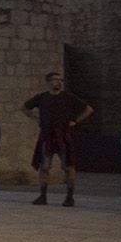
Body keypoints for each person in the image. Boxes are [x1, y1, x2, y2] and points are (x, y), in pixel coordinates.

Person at [24, 71, 93, 206]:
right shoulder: (42, 97)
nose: (59, 82)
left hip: (64, 134)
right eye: (56, 79)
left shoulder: (68, 97)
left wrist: (76, 121)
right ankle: (43, 196)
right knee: (44, 167)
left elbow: (88, 109)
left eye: (60, 80)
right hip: (47, 135)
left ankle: (69, 197)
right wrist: (37, 119)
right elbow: (25, 108)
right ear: (48, 82)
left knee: (69, 166)